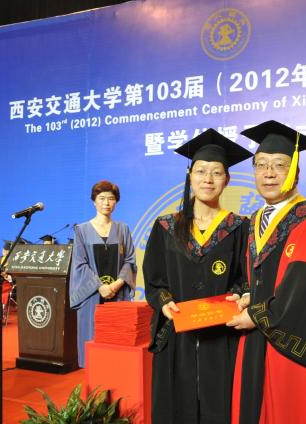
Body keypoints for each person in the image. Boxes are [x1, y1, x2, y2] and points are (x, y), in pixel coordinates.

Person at [228, 120, 306, 424]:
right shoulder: (255, 220)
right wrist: (248, 295)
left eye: (279, 165)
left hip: (292, 347)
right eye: (261, 165)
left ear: (295, 171)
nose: (269, 173)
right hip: (256, 341)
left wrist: (256, 315)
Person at [143, 129, 252, 424]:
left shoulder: (238, 227)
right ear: (190, 176)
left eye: (217, 172)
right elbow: (154, 279)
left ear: (226, 179)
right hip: (178, 334)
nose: (208, 179)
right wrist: (164, 301)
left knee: (221, 403)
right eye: (201, 171)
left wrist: (240, 294)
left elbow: (245, 277)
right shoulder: (166, 227)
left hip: (222, 336)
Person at [69, 180, 137, 368]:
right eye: (102, 198)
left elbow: (130, 260)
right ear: (94, 201)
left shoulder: (123, 229)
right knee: (92, 343)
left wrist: (116, 284)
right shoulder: (82, 230)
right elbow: (79, 264)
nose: (106, 203)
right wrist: (100, 286)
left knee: (117, 342)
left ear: (116, 202)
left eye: (111, 198)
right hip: (91, 295)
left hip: (118, 294)